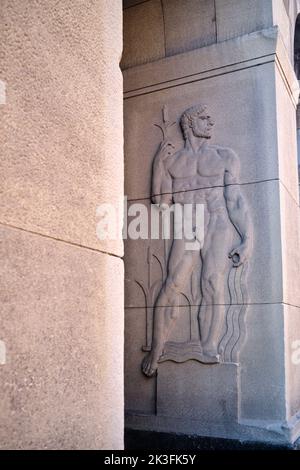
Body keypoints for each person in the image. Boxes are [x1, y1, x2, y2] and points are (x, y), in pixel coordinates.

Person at [142, 104, 252, 377]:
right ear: (190, 124)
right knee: (172, 284)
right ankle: (157, 349)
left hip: (216, 223)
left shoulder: (225, 157)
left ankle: (209, 347)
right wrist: (157, 164)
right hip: (188, 224)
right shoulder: (172, 162)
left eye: (210, 118)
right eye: (205, 118)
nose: (211, 122)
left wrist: (247, 237)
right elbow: (161, 202)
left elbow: (235, 200)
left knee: (212, 282)